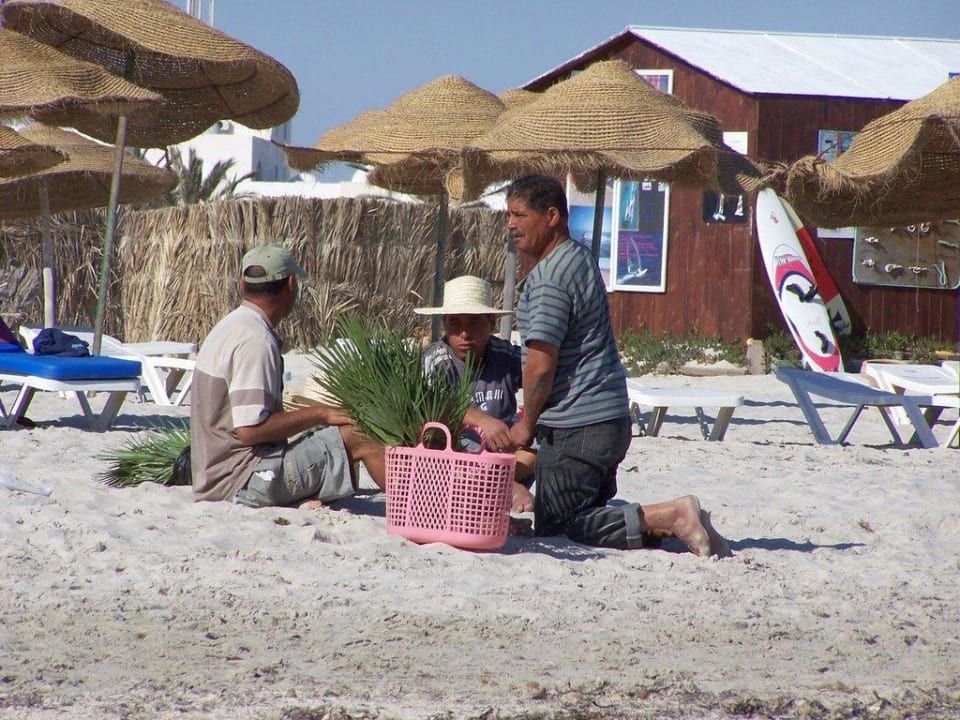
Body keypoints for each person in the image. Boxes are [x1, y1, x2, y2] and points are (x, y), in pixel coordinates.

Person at [503, 175, 725, 556]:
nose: (510, 224)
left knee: (564, 526)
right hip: (608, 418)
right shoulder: (579, 258)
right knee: (583, 514)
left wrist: (525, 425)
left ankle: (671, 514)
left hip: (579, 425)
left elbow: (541, 364)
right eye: (508, 215)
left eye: (519, 215)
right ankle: (671, 524)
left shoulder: (548, 278)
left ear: (552, 216)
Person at [190, 244, 386, 508]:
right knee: (361, 436)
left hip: (216, 476)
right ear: (292, 285)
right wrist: (321, 414)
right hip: (243, 480)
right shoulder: (255, 340)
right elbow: (250, 430)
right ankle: (418, 510)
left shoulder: (231, 325)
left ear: (242, 284)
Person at [414, 275, 536, 513]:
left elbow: (538, 376)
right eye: (455, 324)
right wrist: (480, 420)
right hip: (455, 459)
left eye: (474, 322)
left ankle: (497, 486)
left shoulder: (505, 354)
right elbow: (431, 401)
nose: (465, 333)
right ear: (445, 325)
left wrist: (528, 424)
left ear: (491, 322)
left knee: (542, 447)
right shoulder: (434, 359)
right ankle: (503, 488)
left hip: (504, 456)